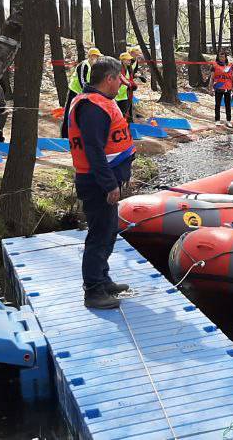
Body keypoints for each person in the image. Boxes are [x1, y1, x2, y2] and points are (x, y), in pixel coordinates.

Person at [68, 56, 136, 309]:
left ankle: (103, 279)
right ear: (109, 79)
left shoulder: (102, 103)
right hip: (97, 182)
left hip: (106, 179)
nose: (121, 83)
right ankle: (93, 290)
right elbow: (94, 150)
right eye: (119, 78)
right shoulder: (92, 107)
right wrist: (109, 184)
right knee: (99, 235)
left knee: (109, 232)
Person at [62, 48, 102, 139]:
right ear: (91, 56)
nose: (98, 59)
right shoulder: (84, 65)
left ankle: (77, 135)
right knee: (69, 112)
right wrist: (88, 92)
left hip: (82, 93)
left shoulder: (92, 67)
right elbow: (82, 81)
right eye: (96, 57)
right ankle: (64, 136)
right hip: (75, 91)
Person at [210, 53, 233, 127]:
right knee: (217, 105)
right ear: (218, 57)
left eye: (223, 57)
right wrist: (210, 89)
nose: (221, 58)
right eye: (220, 57)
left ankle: (228, 121)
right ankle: (217, 120)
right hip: (218, 88)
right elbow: (212, 78)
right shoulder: (214, 65)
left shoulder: (230, 66)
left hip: (228, 88)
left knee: (228, 105)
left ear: (225, 58)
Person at [114, 52, 138, 120]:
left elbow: (130, 78)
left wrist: (133, 84)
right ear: (123, 60)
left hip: (124, 94)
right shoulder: (119, 68)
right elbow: (122, 79)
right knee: (118, 113)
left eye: (130, 60)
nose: (130, 61)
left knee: (124, 113)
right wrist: (132, 84)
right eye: (128, 60)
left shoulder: (128, 68)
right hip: (116, 95)